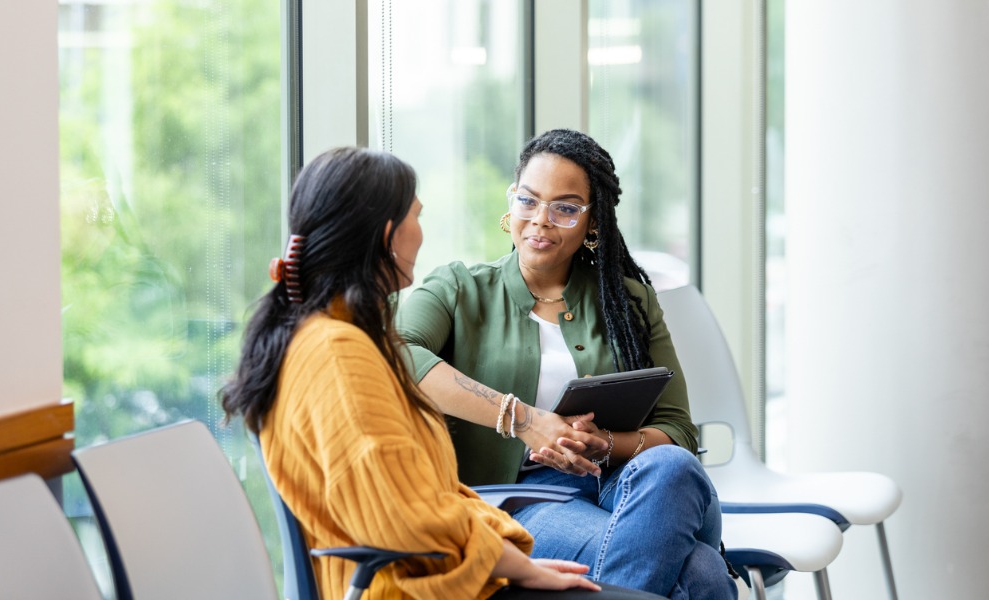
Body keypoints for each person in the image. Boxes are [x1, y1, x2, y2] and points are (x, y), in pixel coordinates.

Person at [220, 146, 667, 600]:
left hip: (451, 569)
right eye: (416, 215)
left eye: (565, 208)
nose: (421, 231)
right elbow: (402, 518)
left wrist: (507, 556)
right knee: (684, 579)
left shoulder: (336, 340)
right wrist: (514, 563)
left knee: (679, 497)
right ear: (388, 234)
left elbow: (422, 497)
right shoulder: (339, 354)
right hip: (421, 588)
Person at [397, 129, 739, 599]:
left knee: (674, 466)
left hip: (631, 486)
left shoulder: (630, 301)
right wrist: (525, 420)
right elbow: (397, 353)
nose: (541, 221)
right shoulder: (459, 289)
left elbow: (678, 429)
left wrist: (601, 445)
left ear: (592, 221)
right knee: (701, 571)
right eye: (529, 201)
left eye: (565, 208)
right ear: (510, 201)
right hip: (523, 500)